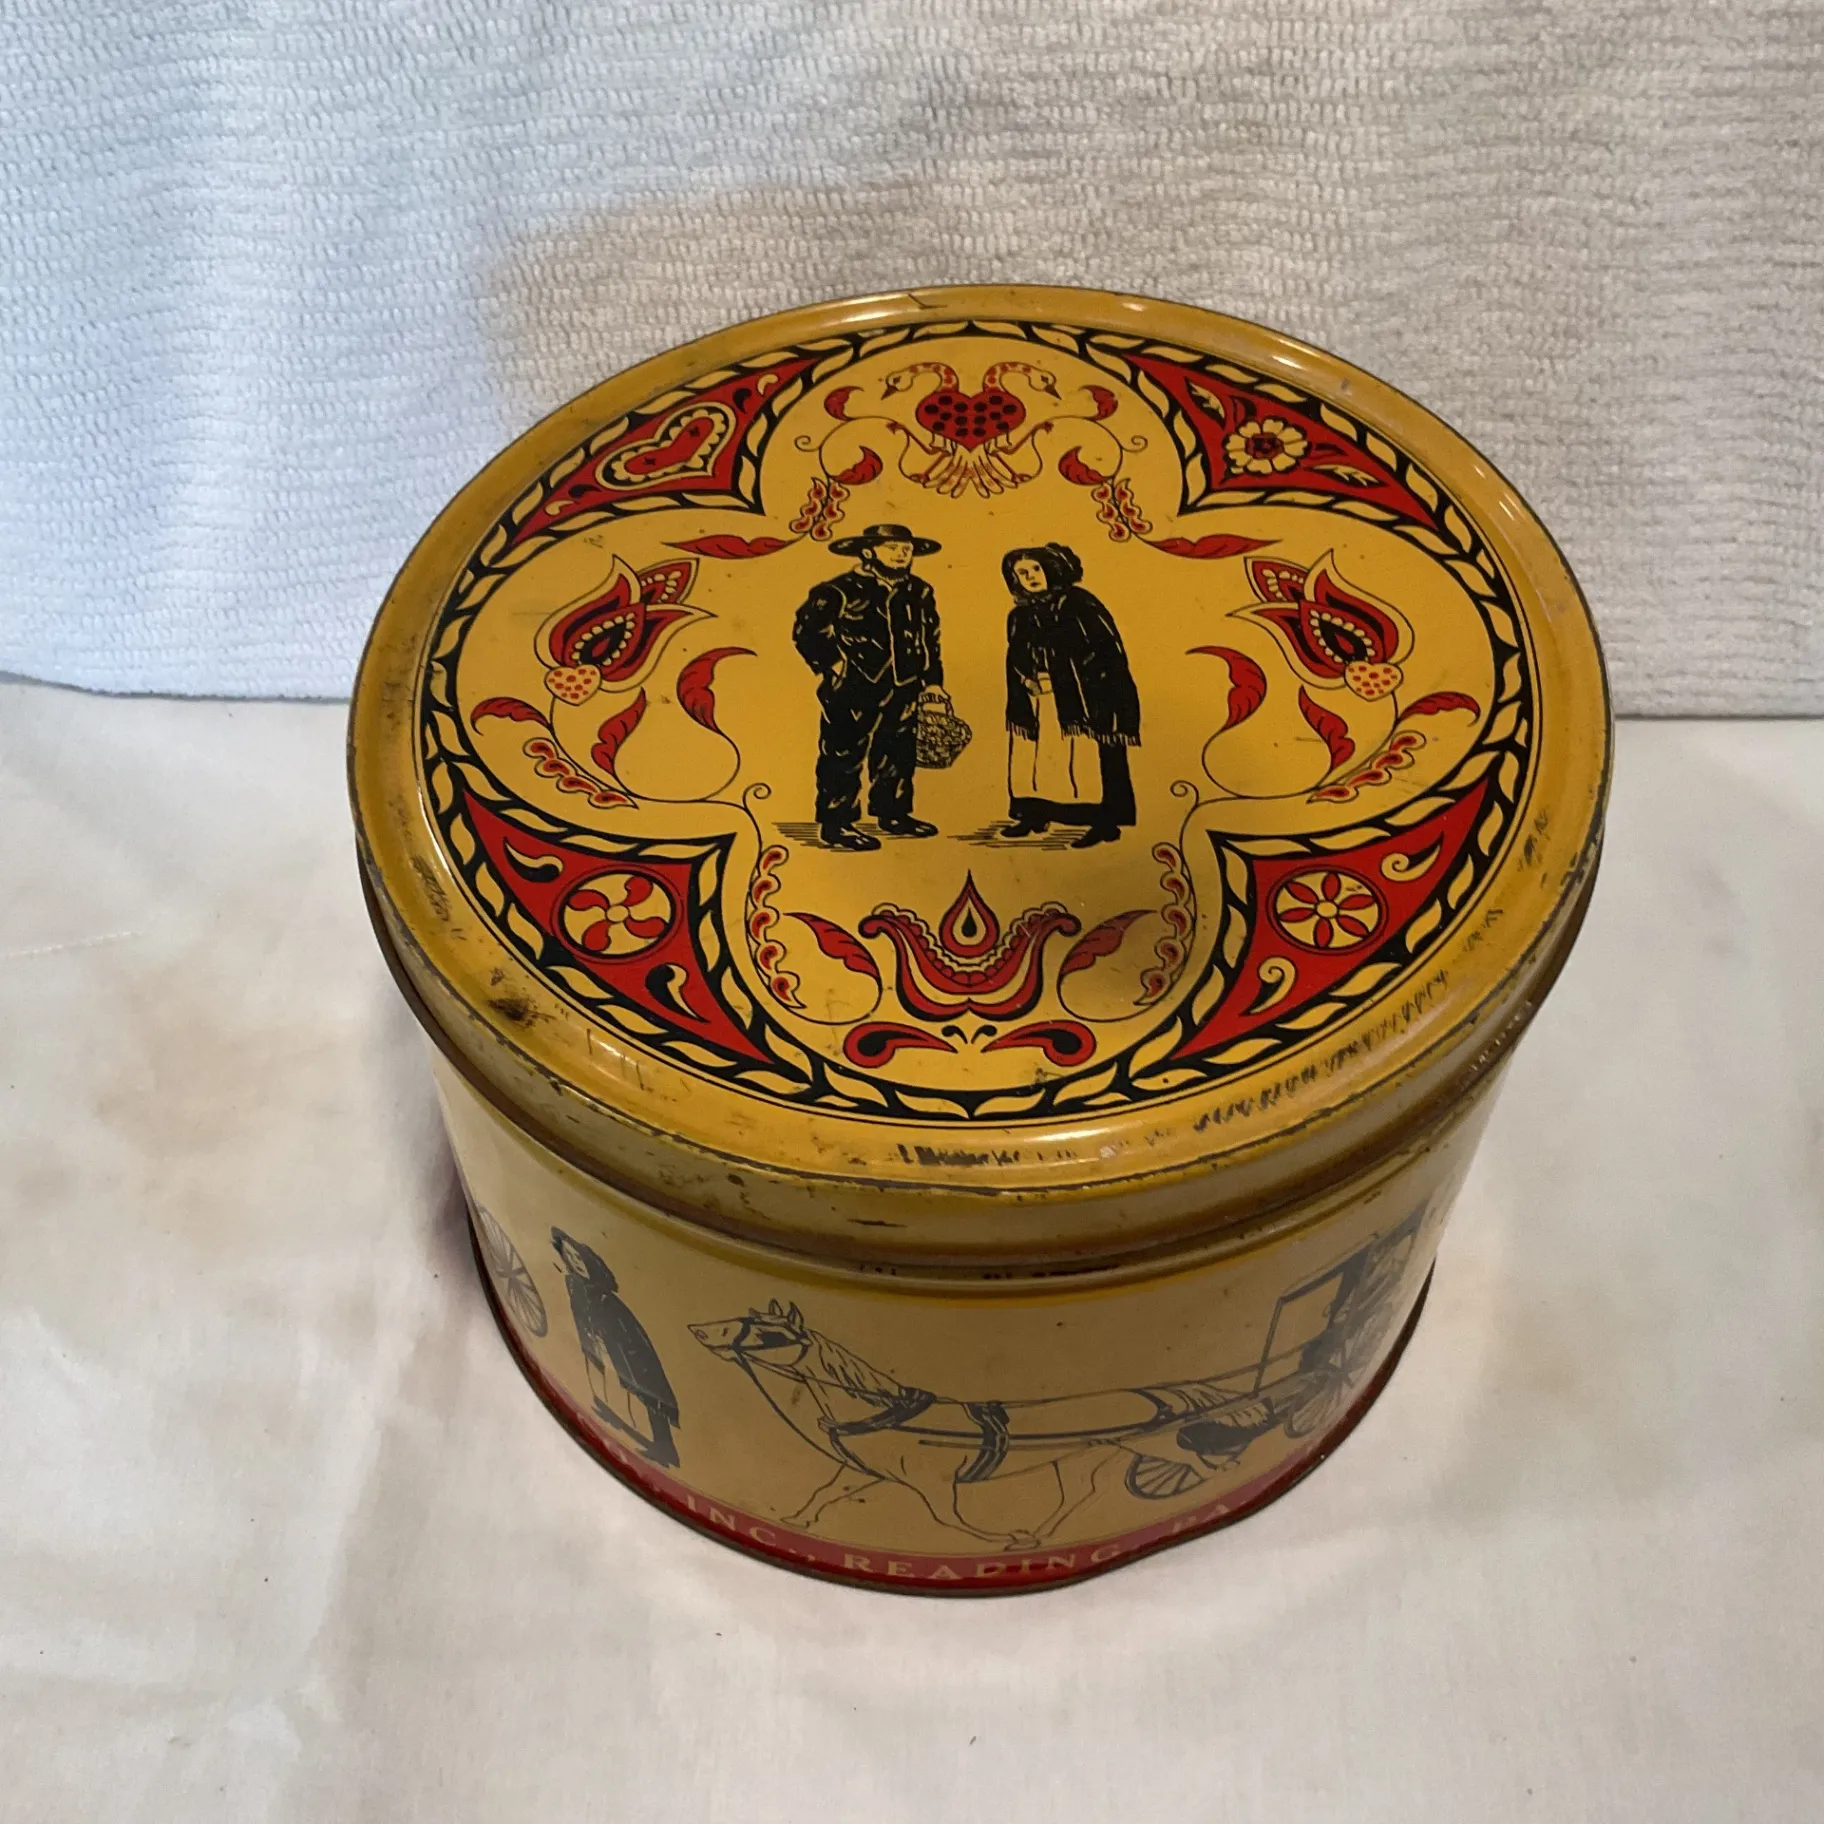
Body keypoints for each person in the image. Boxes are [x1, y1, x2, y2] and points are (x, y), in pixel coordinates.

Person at [791, 524, 945, 851]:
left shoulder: (919, 591)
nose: (902, 554)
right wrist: (835, 666)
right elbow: (807, 631)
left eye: (906, 549)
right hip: (854, 686)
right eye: (892, 548)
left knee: (898, 751)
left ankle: (894, 813)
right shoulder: (838, 590)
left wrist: (932, 682)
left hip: (905, 683)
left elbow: (929, 638)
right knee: (843, 752)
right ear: (868, 552)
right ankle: (837, 823)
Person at [1001, 543, 1141, 847]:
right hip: (1037, 697)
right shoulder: (1019, 614)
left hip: (1082, 696)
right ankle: (1033, 814)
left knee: (1085, 759)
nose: (1031, 577)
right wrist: (1026, 679)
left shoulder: (1079, 604)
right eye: (1022, 573)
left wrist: (1063, 678)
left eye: (1036, 569)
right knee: (1032, 757)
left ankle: (1102, 822)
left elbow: (1103, 651)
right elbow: (1015, 655)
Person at [552, 1229, 680, 1468]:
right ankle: (615, 1415)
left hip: (626, 1344)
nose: (575, 1263)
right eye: (569, 1257)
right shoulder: (575, 1286)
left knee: (648, 1388)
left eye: (578, 1257)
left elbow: (623, 1332)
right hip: (606, 1344)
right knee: (618, 1379)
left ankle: (665, 1446)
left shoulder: (605, 1297)